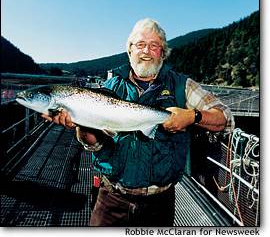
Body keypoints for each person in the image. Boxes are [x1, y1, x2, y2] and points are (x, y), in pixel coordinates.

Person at [42, 18, 234, 226]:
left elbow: (225, 118)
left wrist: (192, 116)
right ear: (130, 51)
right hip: (112, 197)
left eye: (154, 46)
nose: (146, 51)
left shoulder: (182, 86)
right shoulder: (110, 87)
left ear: (163, 53)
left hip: (160, 202)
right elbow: (95, 144)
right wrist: (81, 124)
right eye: (140, 45)